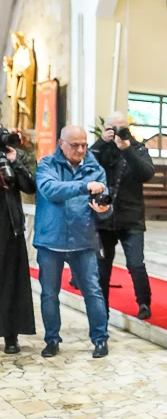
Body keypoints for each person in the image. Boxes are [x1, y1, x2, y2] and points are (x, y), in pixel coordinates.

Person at [34, 126, 113, 359]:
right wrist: (83, 186)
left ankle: (100, 340)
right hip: (51, 240)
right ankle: (52, 340)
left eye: (84, 144)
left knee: (93, 292)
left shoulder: (95, 168)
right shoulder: (47, 164)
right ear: (61, 143)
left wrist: (104, 209)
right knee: (49, 294)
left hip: (83, 240)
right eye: (75, 145)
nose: (81, 149)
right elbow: (50, 190)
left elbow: (104, 204)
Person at [90, 111, 155, 320]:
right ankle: (103, 309)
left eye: (121, 128)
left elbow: (146, 173)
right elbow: (86, 166)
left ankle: (144, 303)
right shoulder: (99, 149)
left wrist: (126, 148)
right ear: (105, 129)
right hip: (103, 217)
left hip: (132, 217)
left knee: (136, 263)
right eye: (112, 128)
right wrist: (102, 142)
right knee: (102, 268)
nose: (117, 132)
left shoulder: (137, 148)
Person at [0, 132, 35, 354]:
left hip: (8, 226)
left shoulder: (14, 155)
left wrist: (15, 164)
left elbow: (31, 186)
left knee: (11, 282)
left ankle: (10, 335)